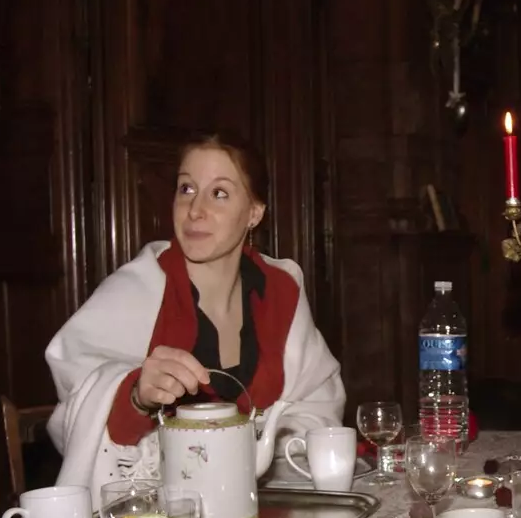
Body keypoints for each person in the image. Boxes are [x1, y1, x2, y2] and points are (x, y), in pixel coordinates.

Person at [47, 134, 344, 498]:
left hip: (265, 504)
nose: (195, 210)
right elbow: (75, 397)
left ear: (254, 212)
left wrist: (265, 445)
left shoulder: (281, 289)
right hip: (156, 509)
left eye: (219, 193)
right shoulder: (136, 289)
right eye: (186, 189)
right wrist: (136, 395)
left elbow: (318, 402)